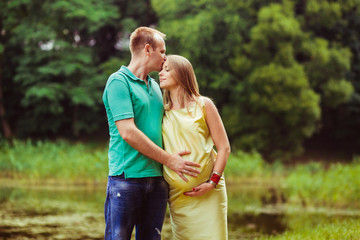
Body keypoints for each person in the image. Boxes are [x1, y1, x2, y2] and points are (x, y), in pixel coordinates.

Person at [102, 27, 201, 240]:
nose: (165, 57)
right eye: (162, 51)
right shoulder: (119, 82)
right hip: (126, 179)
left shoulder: (156, 87)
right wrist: (170, 160)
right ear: (148, 49)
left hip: (157, 181)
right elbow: (128, 132)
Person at [159, 55, 231, 240]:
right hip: (179, 196)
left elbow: (224, 148)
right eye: (161, 69)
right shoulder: (161, 110)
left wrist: (211, 183)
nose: (161, 73)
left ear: (182, 74)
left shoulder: (204, 105)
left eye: (167, 69)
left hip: (210, 192)